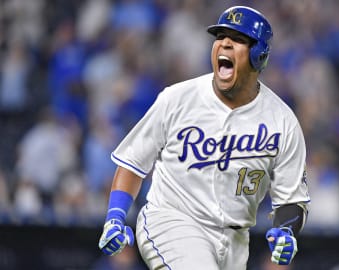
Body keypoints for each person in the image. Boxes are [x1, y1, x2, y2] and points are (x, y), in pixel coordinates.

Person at [98, 5, 310, 270]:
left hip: (234, 239)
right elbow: (133, 162)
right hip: (173, 220)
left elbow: (291, 198)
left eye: (237, 40)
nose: (224, 45)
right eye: (220, 38)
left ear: (259, 55)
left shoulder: (282, 120)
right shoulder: (177, 99)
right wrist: (116, 216)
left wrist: (287, 232)